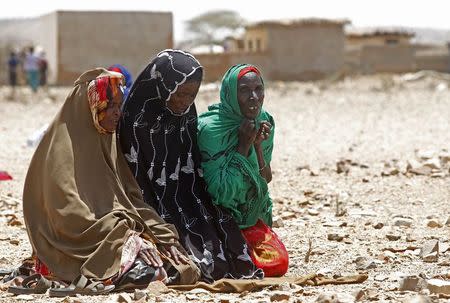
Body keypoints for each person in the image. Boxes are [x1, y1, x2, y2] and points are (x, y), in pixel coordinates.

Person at [10, 68, 199, 297]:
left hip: (109, 235)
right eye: (109, 106)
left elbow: (131, 201)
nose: (117, 113)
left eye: (119, 105)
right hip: (70, 245)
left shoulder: (107, 142)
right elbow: (66, 215)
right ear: (89, 107)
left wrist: (163, 236)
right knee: (152, 271)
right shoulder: (61, 149)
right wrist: (126, 236)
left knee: (181, 265)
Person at [119, 49, 263, 282]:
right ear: (163, 85)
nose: (185, 102)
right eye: (181, 94)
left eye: (192, 95)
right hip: (146, 205)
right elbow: (133, 177)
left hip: (186, 199)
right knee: (178, 264)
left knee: (223, 256)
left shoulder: (186, 114)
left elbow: (192, 167)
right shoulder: (135, 120)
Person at [197, 64, 289, 277]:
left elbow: (265, 179)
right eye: (245, 90)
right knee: (224, 265)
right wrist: (243, 146)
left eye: (258, 89)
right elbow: (219, 193)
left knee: (277, 263)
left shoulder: (264, 121)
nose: (254, 97)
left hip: (251, 218)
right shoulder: (211, 130)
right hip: (217, 218)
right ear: (230, 93)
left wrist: (257, 146)